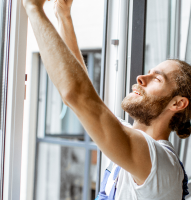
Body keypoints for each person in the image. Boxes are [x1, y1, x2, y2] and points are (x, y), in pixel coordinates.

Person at [23, 0, 190, 199]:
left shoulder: (160, 163)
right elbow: (83, 100)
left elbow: (78, 96)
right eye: (148, 72)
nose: (140, 78)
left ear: (177, 103)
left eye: (156, 78)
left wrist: (33, 8)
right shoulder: (129, 141)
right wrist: (63, 16)